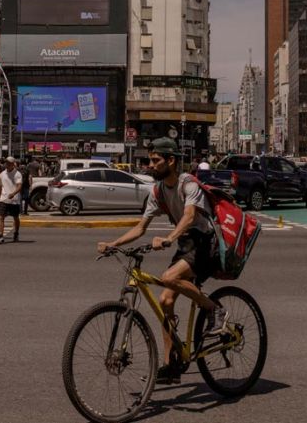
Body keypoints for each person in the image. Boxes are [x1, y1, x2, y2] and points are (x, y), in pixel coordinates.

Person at [96, 137, 227, 385]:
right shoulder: (157, 191)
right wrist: (114, 244)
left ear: (171, 160)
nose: (150, 165)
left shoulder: (188, 184)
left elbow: (189, 217)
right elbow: (140, 228)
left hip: (206, 244)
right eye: (150, 160)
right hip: (187, 245)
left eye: (156, 160)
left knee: (168, 278)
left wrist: (169, 237)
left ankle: (214, 309)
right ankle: (171, 365)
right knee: (165, 300)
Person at [0, 157, 22, 244]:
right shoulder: (2, 174)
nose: (7, 164)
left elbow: (19, 186)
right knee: (1, 217)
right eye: (6, 163)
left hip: (14, 200)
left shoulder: (17, 174)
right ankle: (0, 236)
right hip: (3, 199)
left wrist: (13, 194)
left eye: (9, 163)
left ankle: (16, 233)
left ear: (13, 164)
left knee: (15, 218)